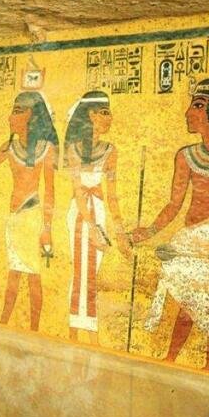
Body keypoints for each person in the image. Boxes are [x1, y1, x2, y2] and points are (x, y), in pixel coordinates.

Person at [131, 77, 209, 370]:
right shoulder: (185, 156)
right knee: (188, 300)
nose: (188, 112)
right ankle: (173, 358)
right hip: (188, 237)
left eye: (197, 105)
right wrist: (149, 231)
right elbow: (174, 204)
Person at [0, 91, 58, 331]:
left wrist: (46, 229)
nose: (10, 117)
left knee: (33, 276)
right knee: (13, 274)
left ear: (31, 116)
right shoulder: (10, 147)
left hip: (32, 217)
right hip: (13, 219)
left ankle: (34, 330)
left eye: (17, 111)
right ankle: (4, 324)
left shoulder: (45, 149)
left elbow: (50, 192)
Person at [64, 91, 132, 343]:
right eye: (105, 112)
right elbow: (77, 190)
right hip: (81, 213)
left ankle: (82, 328)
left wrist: (120, 233)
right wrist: (91, 226)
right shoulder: (73, 149)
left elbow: (112, 195)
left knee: (92, 273)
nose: (110, 117)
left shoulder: (110, 151)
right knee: (81, 272)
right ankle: (80, 332)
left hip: (99, 210)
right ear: (91, 115)